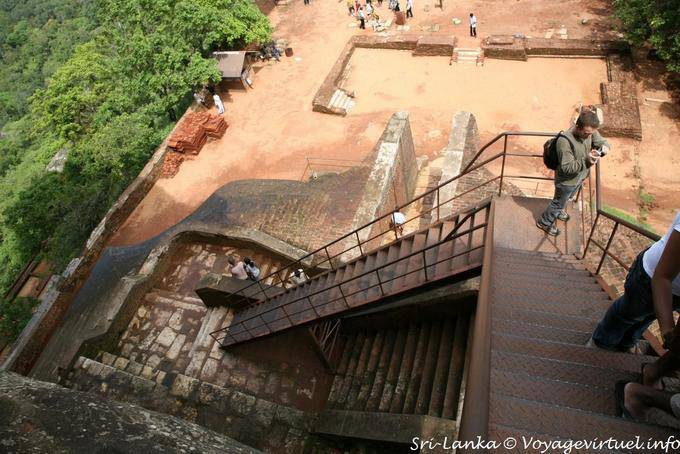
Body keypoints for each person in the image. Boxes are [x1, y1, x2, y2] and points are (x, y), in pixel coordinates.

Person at [589, 211, 680, 352]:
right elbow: (662, 277)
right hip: (649, 279)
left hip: (669, 288)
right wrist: (667, 329)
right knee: (627, 314)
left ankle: (626, 344)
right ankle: (602, 342)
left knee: (648, 316)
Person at [536, 110, 610, 236]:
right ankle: (545, 221)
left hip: (579, 177)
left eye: (591, 133)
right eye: (586, 133)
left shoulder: (589, 131)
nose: (589, 136)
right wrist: (587, 161)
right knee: (558, 202)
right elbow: (566, 168)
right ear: (578, 127)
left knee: (568, 198)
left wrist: (604, 147)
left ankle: (558, 212)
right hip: (566, 181)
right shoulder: (564, 142)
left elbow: (600, 141)